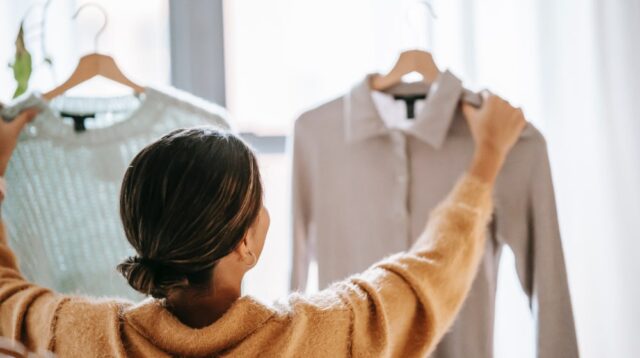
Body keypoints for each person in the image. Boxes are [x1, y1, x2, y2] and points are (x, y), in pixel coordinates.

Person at [0, 93, 525, 357]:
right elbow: (434, 270)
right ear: (246, 241)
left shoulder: (91, 336)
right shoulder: (317, 335)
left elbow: (7, 298)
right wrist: (488, 157)